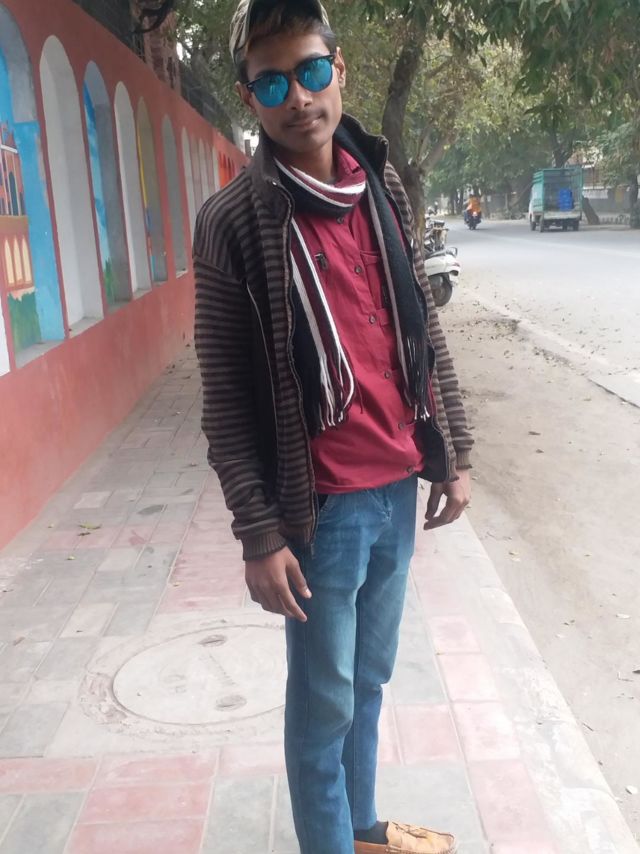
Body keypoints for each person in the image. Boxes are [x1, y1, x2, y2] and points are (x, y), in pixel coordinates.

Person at [193, 2, 473, 852]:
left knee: (369, 681)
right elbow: (224, 398)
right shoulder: (233, 221)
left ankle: (360, 829)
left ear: (339, 69)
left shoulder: (380, 185)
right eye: (273, 83)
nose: (300, 97)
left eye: (312, 71)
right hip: (322, 512)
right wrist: (258, 533)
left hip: (395, 488)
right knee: (323, 707)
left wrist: (454, 453)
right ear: (250, 97)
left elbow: (420, 326)